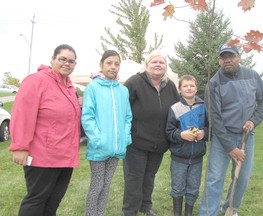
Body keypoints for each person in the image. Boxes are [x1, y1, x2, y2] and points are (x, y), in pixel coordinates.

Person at [8, 44, 81, 216]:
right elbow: (22, 114)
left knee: (53, 202)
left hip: (65, 156)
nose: (67, 63)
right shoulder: (36, 80)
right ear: (53, 59)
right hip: (43, 156)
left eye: (71, 61)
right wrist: (20, 146)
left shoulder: (69, 87)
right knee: (36, 201)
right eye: (62, 59)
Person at [199, 43, 263, 216]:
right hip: (222, 137)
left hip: (246, 136)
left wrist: (253, 121)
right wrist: (230, 148)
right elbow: (214, 119)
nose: (227, 60)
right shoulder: (214, 83)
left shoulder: (252, 76)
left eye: (231, 56)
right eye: (223, 57)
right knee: (215, 178)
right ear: (219, 61)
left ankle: (230, 209)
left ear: (239, 57)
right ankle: (208, 213)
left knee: (242, 178)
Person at [122, 49, 180, 216]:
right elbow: (123, 110)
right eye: (154, 61)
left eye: (162, 62)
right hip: (136, 142)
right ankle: (130, 210)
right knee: (134, 178)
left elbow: (176, 111)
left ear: (166, 67)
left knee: (149, 177)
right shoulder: (134, 82)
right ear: (146, 64)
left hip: (159, 143)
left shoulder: (170, 86)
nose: (158, 65)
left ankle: (146, 206)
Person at [81, 50, 132, 216]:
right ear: (101, 65)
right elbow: (87, 117)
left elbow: (127, 117)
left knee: (106, 185)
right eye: (109, 63)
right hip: (99, 148)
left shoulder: (123, 90)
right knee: (97, 185)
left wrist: (125, 139)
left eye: (116, 64)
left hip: (117, 149)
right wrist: (98, 139)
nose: (113, 67)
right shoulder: (93, 88)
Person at [166, 75, 208, 216]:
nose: (189, 88)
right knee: (177, 187)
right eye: (185, 86)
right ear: (179, 90)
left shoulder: (204, 107)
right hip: (179, 157)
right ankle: (177, 213)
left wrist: (204, 133)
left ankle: (188, 213)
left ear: (196, 88)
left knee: (193, 187)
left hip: (197, 158)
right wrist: (180, 135)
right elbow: (169, 132)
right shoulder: (174, 109)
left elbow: (211, 128)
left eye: (191, 85)